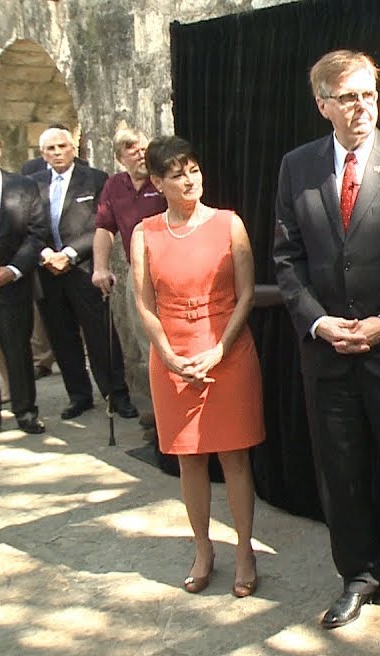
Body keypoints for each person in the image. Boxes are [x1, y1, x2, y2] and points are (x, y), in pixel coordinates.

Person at [273, 50, 380, 630]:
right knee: (341, 476)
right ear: (322, 104)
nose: (361, 107)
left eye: (369, 94)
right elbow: (287, 259)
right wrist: (320, 323)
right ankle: (358, 577)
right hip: (329, 356)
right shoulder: (296, 168)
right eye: (347, 97)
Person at [131, 135, 264, 597]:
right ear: (156, 182)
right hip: (173, 356)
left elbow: (247, 294)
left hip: (228, 351)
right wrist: (168, 355)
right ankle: (203, 548)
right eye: (176, 174)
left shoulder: (229, 223)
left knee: (235, 456)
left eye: (194, 170)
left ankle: (245, 548)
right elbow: (144, 304)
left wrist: (219, 349)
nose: (189, 181)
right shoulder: (145, 233)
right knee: (190, 459)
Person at [30, 127, 139, 422]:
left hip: (83, 267)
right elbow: (26, 225)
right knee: (61, 336)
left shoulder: (94, 178)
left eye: (62, 146)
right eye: (50, 148)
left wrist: (68, 254)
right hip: (46, 271)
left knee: (101, 335)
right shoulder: (32, 183)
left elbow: (101, 224)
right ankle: (78, 395)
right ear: (43, 154)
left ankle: (116, 395)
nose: (57, 152)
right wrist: (45, 255)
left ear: (73, 148)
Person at [0, 122, 47, 441]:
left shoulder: (23, 185)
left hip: (14, 285)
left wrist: (13, 270)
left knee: (19, 350)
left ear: (0, 146)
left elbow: (37, 233)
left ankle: (26, 412)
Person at [92, 127, 163, 430]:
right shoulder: (114, 185)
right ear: (120, 157)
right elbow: (104, 228)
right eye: (131, 148)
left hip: (169, 275)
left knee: (170, 346)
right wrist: (100, 267)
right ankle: (161, 412)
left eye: (143, 147)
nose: (139, 153)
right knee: (148, 348)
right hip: (138, 277)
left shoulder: (162, 180)